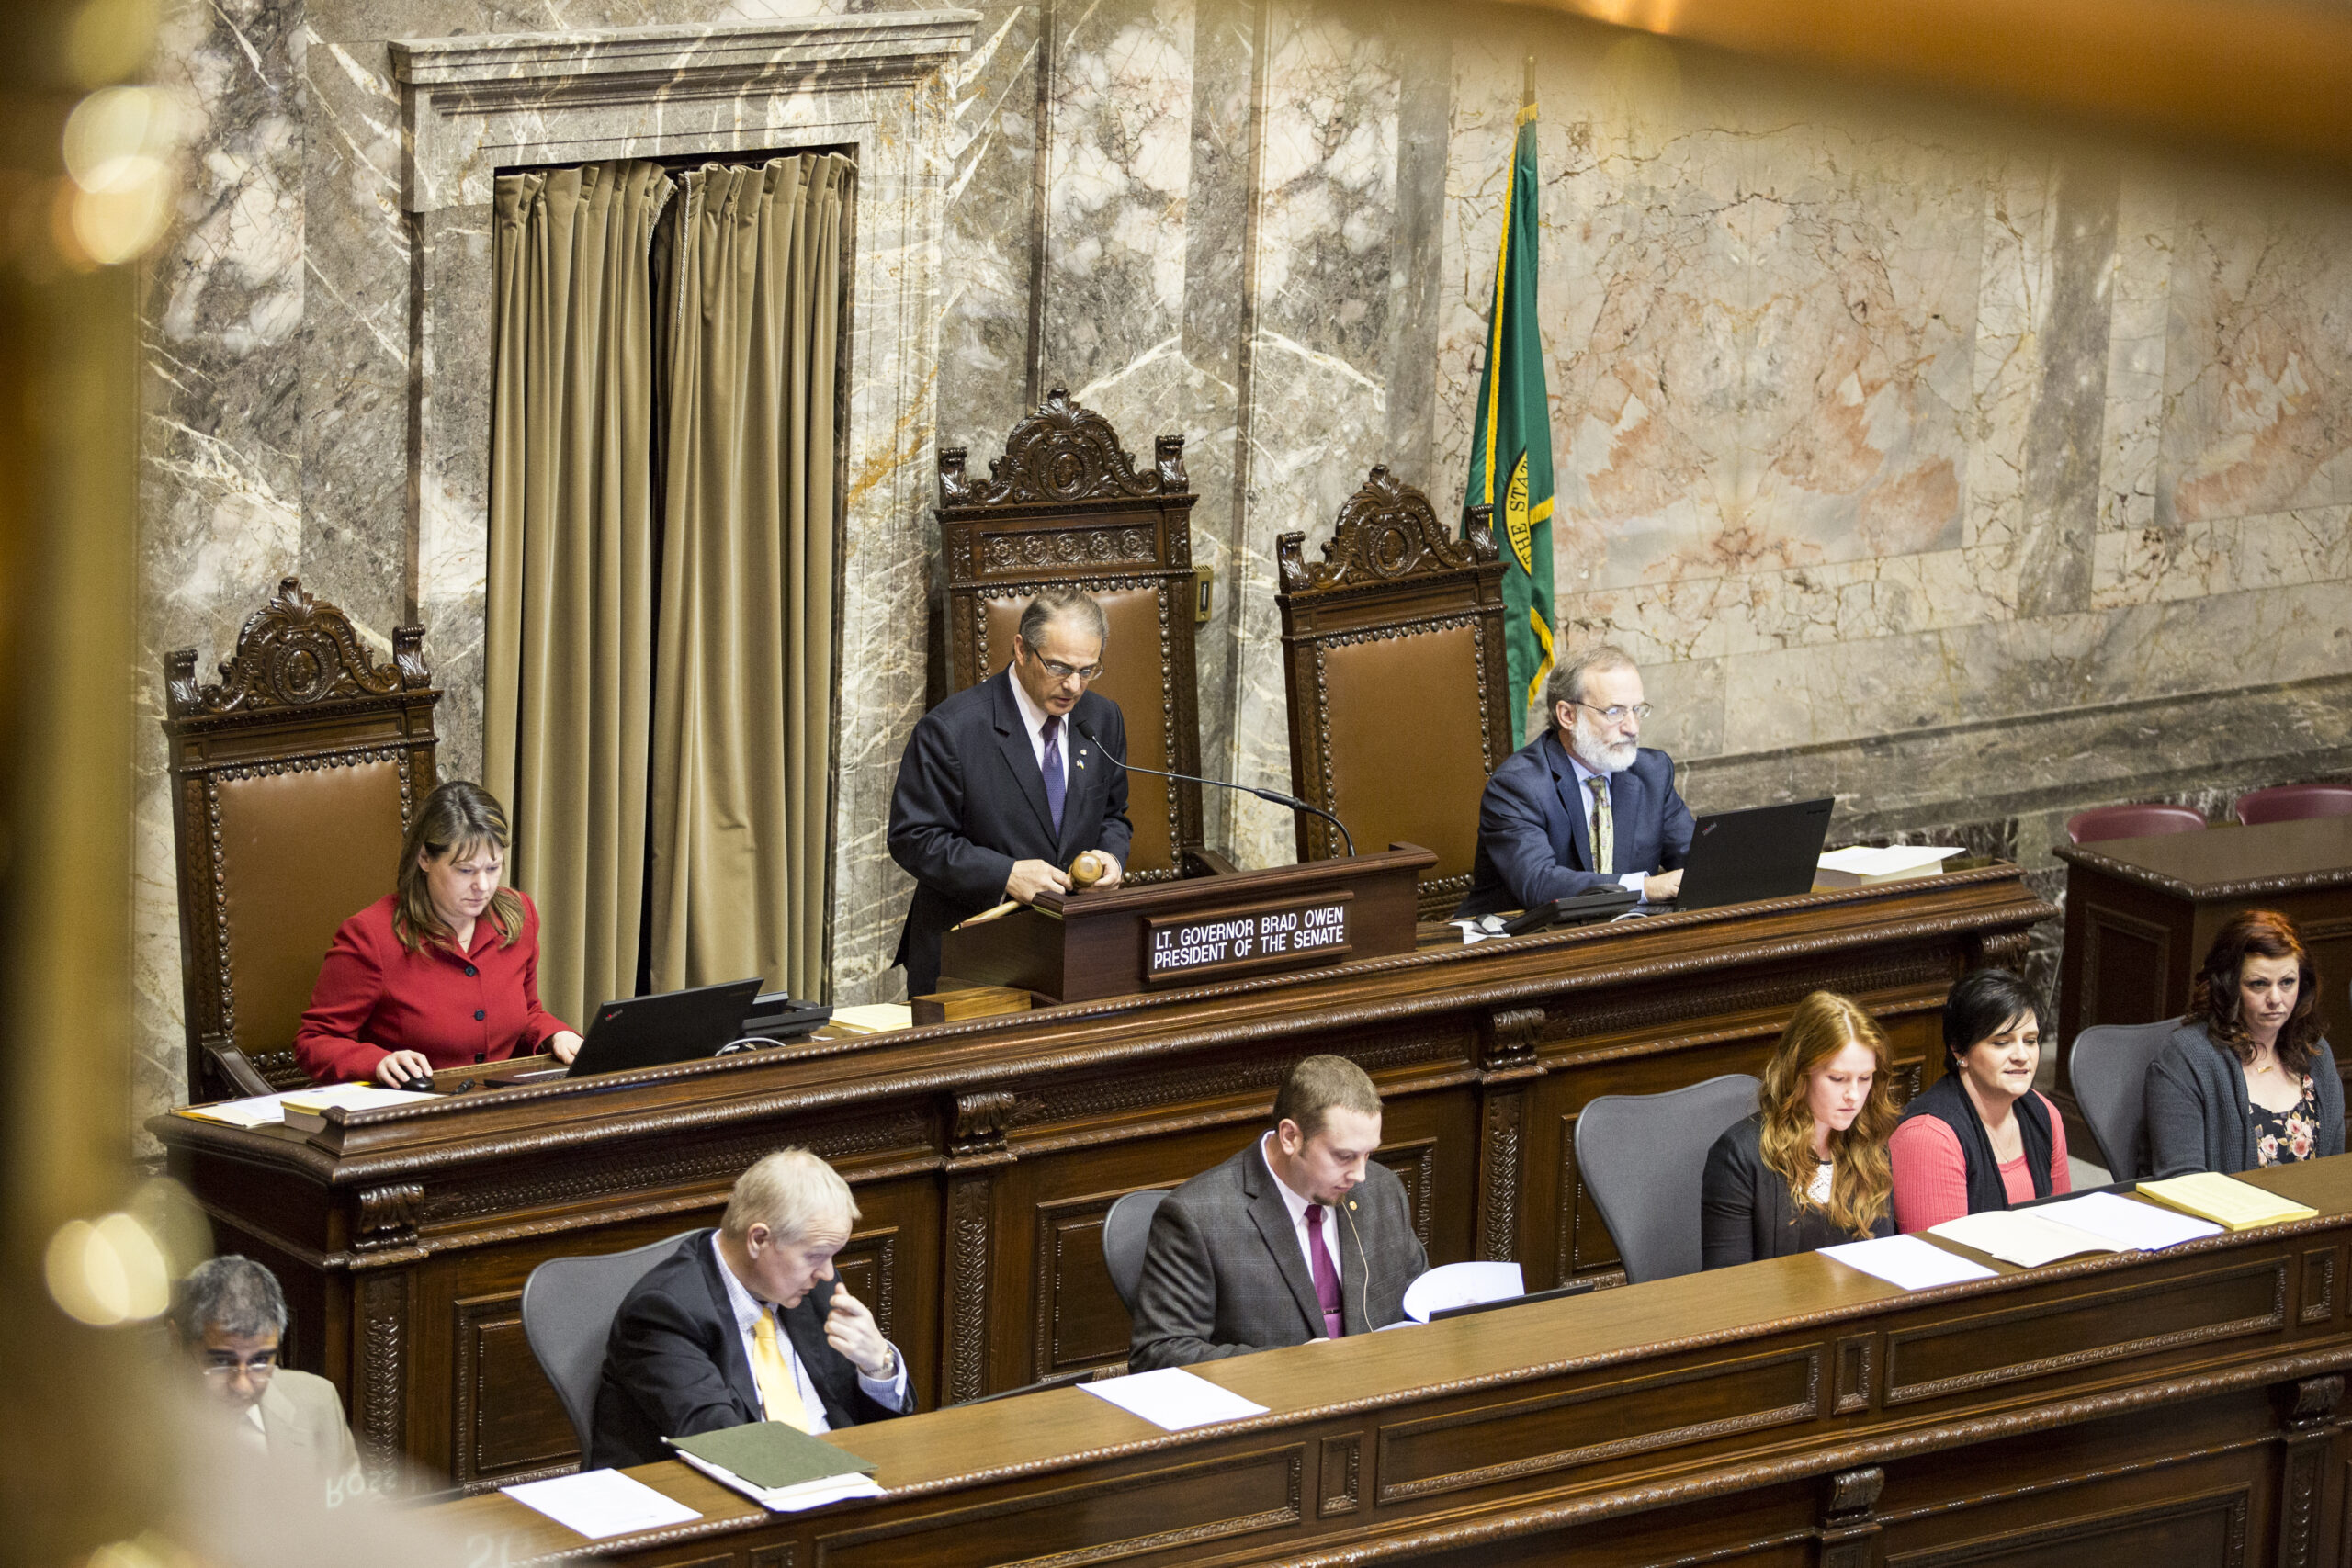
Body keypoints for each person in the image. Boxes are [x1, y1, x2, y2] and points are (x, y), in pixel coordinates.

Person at [590, 1148, 911, 1469]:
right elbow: (724, 1446)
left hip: (836, 1483)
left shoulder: (813, 1287)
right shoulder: (665, 1312)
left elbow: (877, 1430)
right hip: (719, 1500)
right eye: (815, 1256)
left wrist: (877, 1367)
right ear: (758, 1239)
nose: (828, 1273)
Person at [887, 586, 1134, 998]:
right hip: (971, 960)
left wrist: (1108, 856)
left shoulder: (1102, 718)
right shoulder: (952, 730)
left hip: (1069, 955)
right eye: (1059, 667)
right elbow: (914, 839)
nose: (1073, 686)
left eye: (1087, 670)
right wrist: (1007, 874)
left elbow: (1113, 814)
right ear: (1021, 649)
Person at [1130, 1055, 1426, 1369]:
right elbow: (1158, 1355)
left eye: (1368, 1154)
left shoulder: (1382, 1191)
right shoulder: (1198, 1217)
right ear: (1290, 1137)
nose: (1360, 1175)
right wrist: (1288, 1365)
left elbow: (1420, 1303)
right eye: (1344, 1156)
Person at [293, 781, 582, 1086]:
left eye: (493, 868)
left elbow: (527, 1012)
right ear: (425, 859)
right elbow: (315, 1041)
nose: (483, 886)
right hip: (412, 1111)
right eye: (465, 870)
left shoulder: (517, 915)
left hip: (501, 1106)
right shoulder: (370, 935)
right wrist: (377, 1062)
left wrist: (555, 1034)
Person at [1454, 643, 1695, 919]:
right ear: (1567, 715)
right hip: (1519, 942)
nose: (1632, 728)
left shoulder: (1651, 772)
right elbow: (1538, 884)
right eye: (1614, 712)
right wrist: (1644, 888)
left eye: (1637, 710)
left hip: (1620, 936)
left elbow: (1698, 859)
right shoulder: (1517, 785)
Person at [1702, 991, 1900, 1268]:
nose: (1853, 1095)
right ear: (1799, 1073)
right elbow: (1727, 1289)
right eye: (1837, 1078)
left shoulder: (1870, 1144)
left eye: (1865, 1078)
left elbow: (1883, 1264)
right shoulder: (1739, 1157)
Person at [2145, 909, 2344, 1178]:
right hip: (2222, 1218)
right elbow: (2182, 1184)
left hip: (2312, 1219)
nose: (2276, 998)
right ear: (2229, 985)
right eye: (2259, 984)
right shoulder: (2185, 1057)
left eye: (2287, 982)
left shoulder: (2315, 1052)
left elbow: (2334, 1174)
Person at [1891, 968, 2072, 1232]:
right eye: (2001, 1042)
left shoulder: (2044, 1113)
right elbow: (1941, 1261)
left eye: (2030, 1041)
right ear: (1959, 1050)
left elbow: (2062, 1228)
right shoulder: (1928, 1137)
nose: (2022, 1055)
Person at [172, 1256, 363, 1499]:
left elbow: (353, 1502)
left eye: (260, 1361)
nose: (242, 1386)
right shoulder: (130, 1429)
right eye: (220, 1362)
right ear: (177, 1342)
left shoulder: (318, 1400)